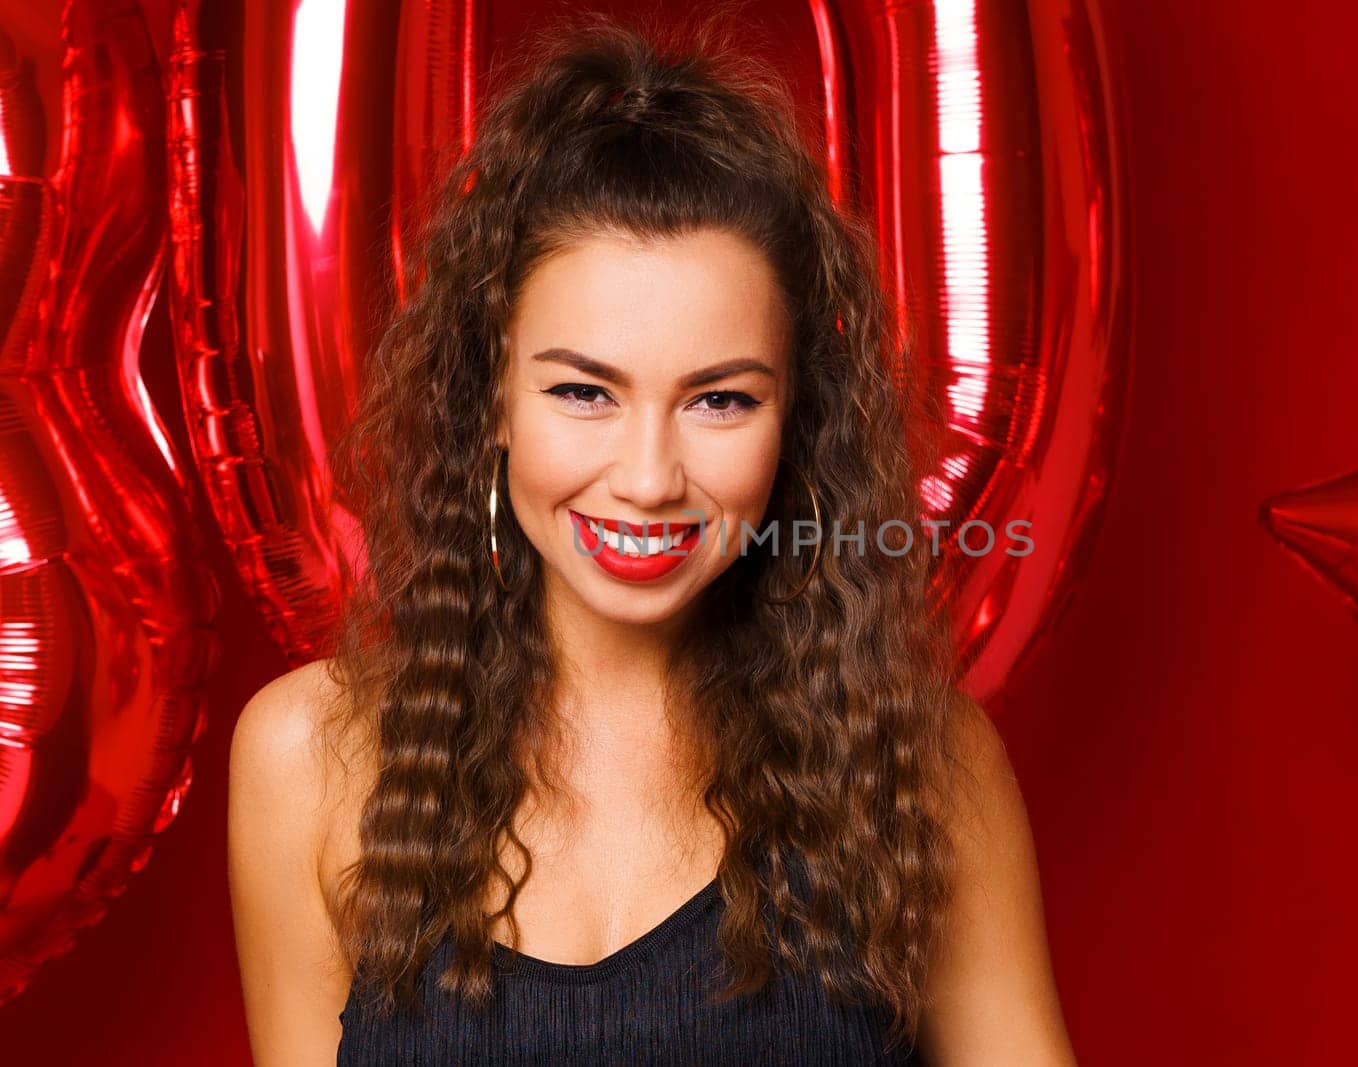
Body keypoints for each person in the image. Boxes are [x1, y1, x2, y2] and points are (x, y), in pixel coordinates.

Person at [228, 10, 1076, 1065]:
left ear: (793, 419)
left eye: (718, 400)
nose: (645, 479)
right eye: (584, 390)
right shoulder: (310, 758)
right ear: (491, 394)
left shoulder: (925, 770)